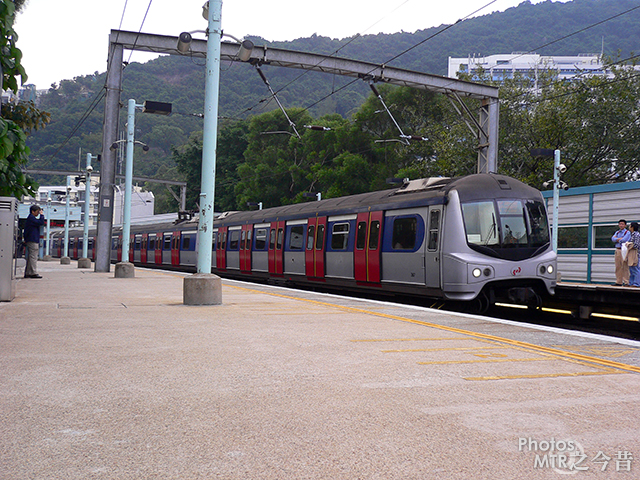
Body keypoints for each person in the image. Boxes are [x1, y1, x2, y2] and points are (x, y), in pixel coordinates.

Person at [23, 205, 45, 279]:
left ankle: (28, 272)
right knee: (33, 257)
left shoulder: (30, 218)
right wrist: (42, 215)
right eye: (37, 211)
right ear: (33, 211)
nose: (38, 213)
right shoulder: (31, 218)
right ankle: (33, 272)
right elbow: (41, 222)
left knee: (30, 257)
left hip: (31, 239)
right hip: (32, 240)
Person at [611, 219, 631, 286]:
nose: (621, 225)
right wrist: (619, 239)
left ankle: (626, 282)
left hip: (624, 250)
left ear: (625, 225)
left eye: (622, 224)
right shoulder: (617, 232)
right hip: (617, 249)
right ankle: (618, 281)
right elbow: (612, 239)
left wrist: (617, 239)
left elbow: (624, 240)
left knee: (624, 266)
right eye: (620, 224)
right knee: (618, 266)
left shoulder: (627, 232)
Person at [627, 222, 640, 287]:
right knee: (631, 268)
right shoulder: (631, 234)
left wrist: (629, 244)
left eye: (630, 226)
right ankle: (631, 282)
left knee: (635, 268)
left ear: (632, 227)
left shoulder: (637, 234)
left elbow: (636, 245)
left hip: (636, 254)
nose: (629, 227)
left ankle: (637, 283)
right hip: (631, 253)